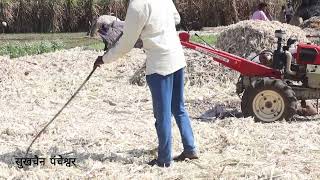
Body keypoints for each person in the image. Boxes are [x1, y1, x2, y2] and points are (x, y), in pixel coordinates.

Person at [94, 0, 198, 167]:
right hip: (177, 58)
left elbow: (126, 45)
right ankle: (190, 148)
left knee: (162, 115)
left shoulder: (137, 5)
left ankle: (164, 160)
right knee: (179, 108)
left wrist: (104, 59)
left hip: (160, 65)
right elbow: (176, 18)